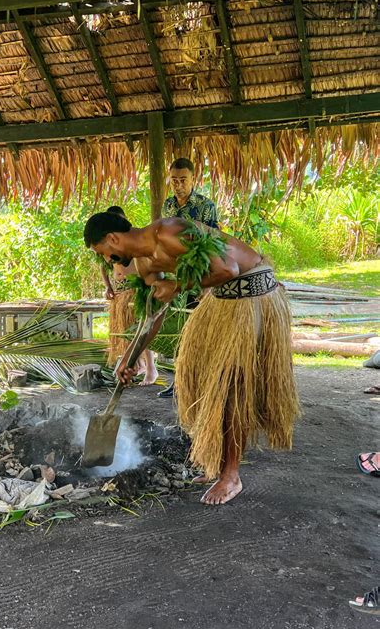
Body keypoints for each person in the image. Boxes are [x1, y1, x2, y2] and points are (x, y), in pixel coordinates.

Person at [84, 212, 300, 506]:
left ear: (113, 238)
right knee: (207, 385)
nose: (110, 261)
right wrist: (130, 357)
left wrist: (178, 287)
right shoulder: (146, 264)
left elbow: (229, 268)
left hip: (252, 295)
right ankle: (218, 465)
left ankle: (231, 476)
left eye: (106, 254)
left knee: (231, 387)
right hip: (224, 301)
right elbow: (153, 314)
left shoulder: (170, 232)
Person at [158, 157, 219, 398]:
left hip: (199, 278)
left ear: (193, 179)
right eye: (174, 180)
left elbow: (215, 242)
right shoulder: (168, 206)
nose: (178, 185)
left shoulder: (206, 206)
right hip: (176, 276)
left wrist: (208, 283)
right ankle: (178, 383)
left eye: (183, 180)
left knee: (199, 331)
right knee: (176, 329)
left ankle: (201, 384)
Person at [100, 206, 158, 386]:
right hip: (119, 292)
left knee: (142, 328)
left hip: (135, 289)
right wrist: (108, 286)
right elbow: (103, 266)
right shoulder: (107, 243)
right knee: (127, 331)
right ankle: (138, 365)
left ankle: (151, 369)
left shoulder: (133, 241)